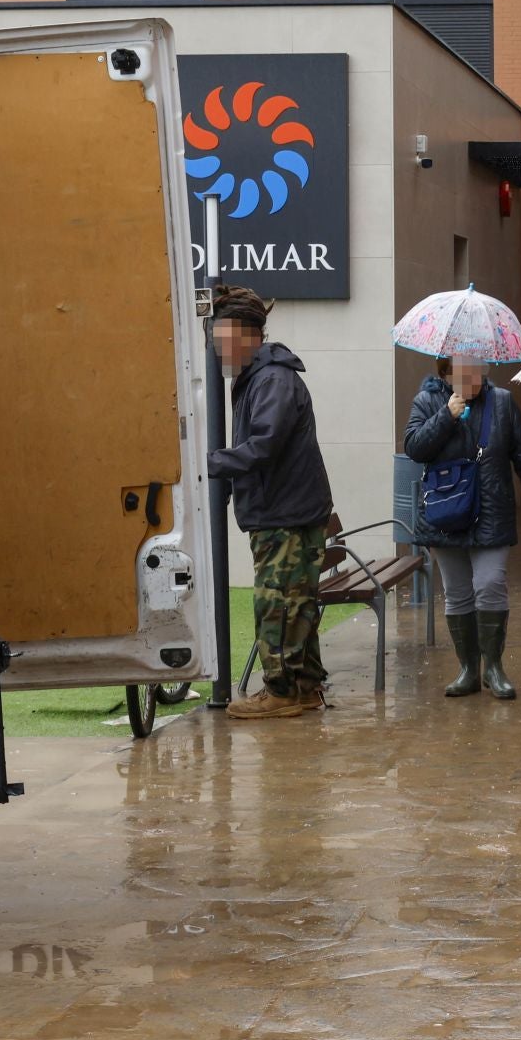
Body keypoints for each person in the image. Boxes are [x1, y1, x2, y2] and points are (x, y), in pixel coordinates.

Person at [206, 285, 335, 721]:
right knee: (294, 604)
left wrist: (209, 463)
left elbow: (263, 446)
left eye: (221, 342)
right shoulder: (260, 377)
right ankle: (304, 687)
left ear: (247, 336)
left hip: (285, 514)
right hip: (286, 510)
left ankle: (281, 692)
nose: (217, 351)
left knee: (275, 604)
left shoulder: (272, 379)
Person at [405, 356, 521, 701]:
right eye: (462, 373)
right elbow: (414, 448)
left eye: (476, 370)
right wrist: (446, 416)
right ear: (444, 374)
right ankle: (467, 670)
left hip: (491, 510)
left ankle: (493, 667)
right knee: (458, 593)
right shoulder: (428, 401)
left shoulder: (502, 402)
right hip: (446, 515)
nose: (472, 378)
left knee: (490, 584)